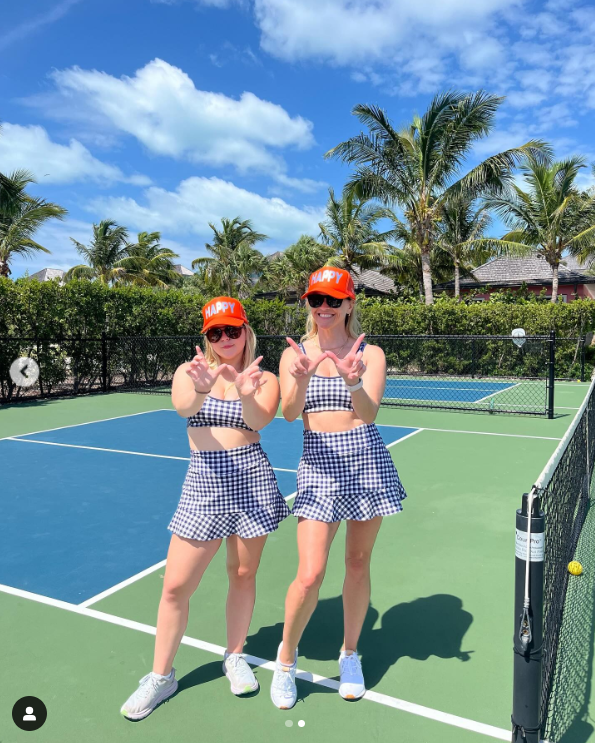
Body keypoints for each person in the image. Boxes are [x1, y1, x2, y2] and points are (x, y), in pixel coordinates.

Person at [121, 296, 290, 720]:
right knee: (176, 585)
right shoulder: (189, 371)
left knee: (243, 574)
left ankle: (235, 656)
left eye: (232, 329)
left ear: (245, 331)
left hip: (251, 482)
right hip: (203, 485)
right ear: (207, 337)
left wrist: (247, 391)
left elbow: (259, 420)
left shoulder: (264, 377)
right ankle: (161, 676)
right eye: (216, 332)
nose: (225, 338)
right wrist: (200, 387)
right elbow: (183, 407)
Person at [270, 267, 407, 710]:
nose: (324, 308)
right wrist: (305, 375)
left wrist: (352, 380)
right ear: (308, 304)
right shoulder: (294, 354)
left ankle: (350, 654)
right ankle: (286, 659)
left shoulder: (371, 352)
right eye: (316, 300)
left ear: (349, 303)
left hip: (365, 462)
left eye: (333, 300)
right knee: (309, 574)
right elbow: (289, 413)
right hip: (318, 465)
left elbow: (368, 415)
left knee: (357, 562)